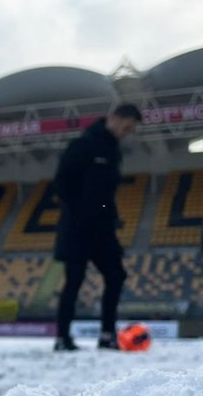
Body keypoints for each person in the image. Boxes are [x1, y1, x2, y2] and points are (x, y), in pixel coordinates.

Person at [51, 104, 143, 351]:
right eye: (126, 127)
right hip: (78, 227)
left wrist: (110, 216)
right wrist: (80, 211)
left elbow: (105, 193)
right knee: (74, 280)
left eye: (131, 129)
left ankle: (107, 335)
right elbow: (62, 182)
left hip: (102, 228)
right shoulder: (82, 145)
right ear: (113, 118)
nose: (127, 132)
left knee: (116, 275)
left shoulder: (113, 150)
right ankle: (62, 338)